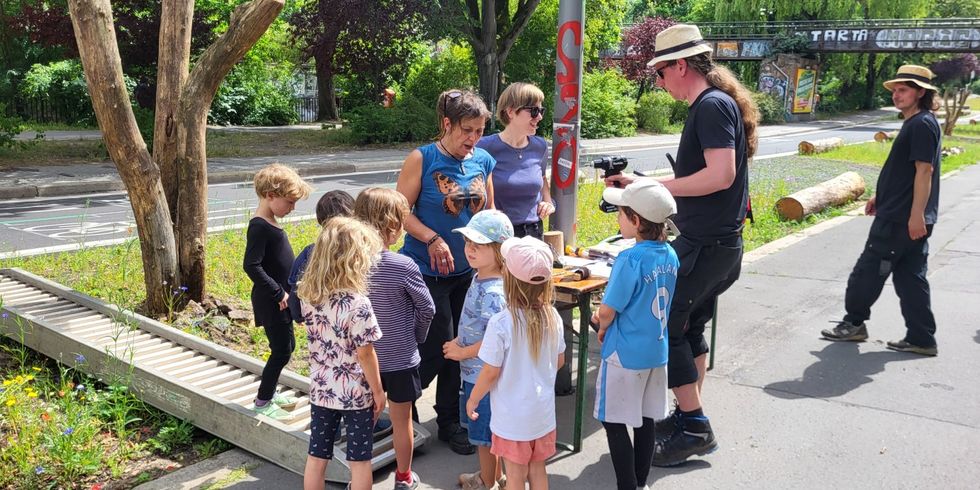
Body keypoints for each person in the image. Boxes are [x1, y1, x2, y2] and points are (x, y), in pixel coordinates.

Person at [608, 24, 759, 466]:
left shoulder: (711, 106)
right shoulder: (716, 104)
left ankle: (694, 425)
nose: (658, 81)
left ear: (680, 65)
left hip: (705, 246)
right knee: (689, 328)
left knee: (669, 327)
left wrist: (653, 183)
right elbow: (710, 177)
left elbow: (720, 175)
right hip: (716, 245)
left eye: (659, 72)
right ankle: (688, 414)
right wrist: (645, 183)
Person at [396, 88, 496, 455]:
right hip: (424, 271)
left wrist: (499, 259)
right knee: (438, 345)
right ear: (446, 124)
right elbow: (399, 212)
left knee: (463, 345)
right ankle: (398, 406)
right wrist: (433, 238)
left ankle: (450, 421)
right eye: (466, 130)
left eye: (479, 131)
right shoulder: (421, 159)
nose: (473, 139)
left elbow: (489, 217)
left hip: (470, 273)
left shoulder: (483, 161)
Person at [821, 65, 942, 356]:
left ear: (920, 92)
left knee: (868, 270)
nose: (897, 95)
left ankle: (853, 323)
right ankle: (922, 337)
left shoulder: (921, 124)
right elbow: (905, 172)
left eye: (904, 90)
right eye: (896, 90)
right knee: (910, 276)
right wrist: (880, 195)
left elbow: (924, 172)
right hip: (902, 213)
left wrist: (916, 215)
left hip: (901, 219)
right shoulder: (919, 122)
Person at [592, 180, 679, 490]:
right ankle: (640, 482)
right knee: (644, 420)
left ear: (637, 221)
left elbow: (607, 310)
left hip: (623, 354)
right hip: (656, 351)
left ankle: (627, 485)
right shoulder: (670, 254)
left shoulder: (630, 259)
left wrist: (600, 324)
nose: (617, 219)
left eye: (620, 214)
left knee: (613, 421)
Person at [466, 236, 565, 490]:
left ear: (508, 279)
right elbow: (560, 360)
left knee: (515, 476)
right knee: (538, 469)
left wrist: (473, 398)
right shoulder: (553, 315)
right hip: (542, 415)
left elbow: (490, 372)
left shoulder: (501, 323)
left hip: (513, 419)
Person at [354, 187, 435, 490]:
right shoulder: (403, 266)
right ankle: (403, 477)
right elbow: (427, 308)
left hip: (362, 359)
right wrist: (416, 336)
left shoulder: (349, 265)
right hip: (401, 358)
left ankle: (358, 478)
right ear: (392, 226)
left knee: (363, 421)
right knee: (403, 421)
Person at [297, 217, 386, 490]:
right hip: (355, 393)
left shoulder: (308, 296)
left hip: (322, 388)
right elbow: (365, 354)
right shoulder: (359, 305)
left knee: (317, 455)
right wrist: (379, 391)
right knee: (360, 462)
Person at [443, 210, 514, 490]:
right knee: (489, 434)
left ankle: (487, 481)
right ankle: (495, 477)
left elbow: (494, 340)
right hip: (479, 371)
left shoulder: (494, 291)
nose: (469, 250)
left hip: (483, 375)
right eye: (467, 243)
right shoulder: (481, 276)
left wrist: (462, 351)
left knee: (485, 437)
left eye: (479, 245)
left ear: (499, 250)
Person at [243, 163, 312, 420]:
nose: (292, 208)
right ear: (270, 196)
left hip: (282, 300)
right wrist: (278, 293)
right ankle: (262, 401)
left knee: (288, 346)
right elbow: (251, 265)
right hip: (272, 301)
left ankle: (269, 394)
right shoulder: (259, 226)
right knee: (282, 350)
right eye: (290, 202)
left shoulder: (269, 221)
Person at [478, 82, 554, 239]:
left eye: (541, 110)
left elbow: (542, 179)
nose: (539, 117)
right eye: (534, 111)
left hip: (534, 233)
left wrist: (548, 202)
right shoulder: (485, 147)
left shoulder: (540, 146)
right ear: (511, 111)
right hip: (499, 234)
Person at [287, 190, 355, 322]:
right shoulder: (362, 253)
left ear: (320, 219)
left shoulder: (309, 253)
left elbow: (295, 296)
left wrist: (301, 316)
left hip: (321, 331)